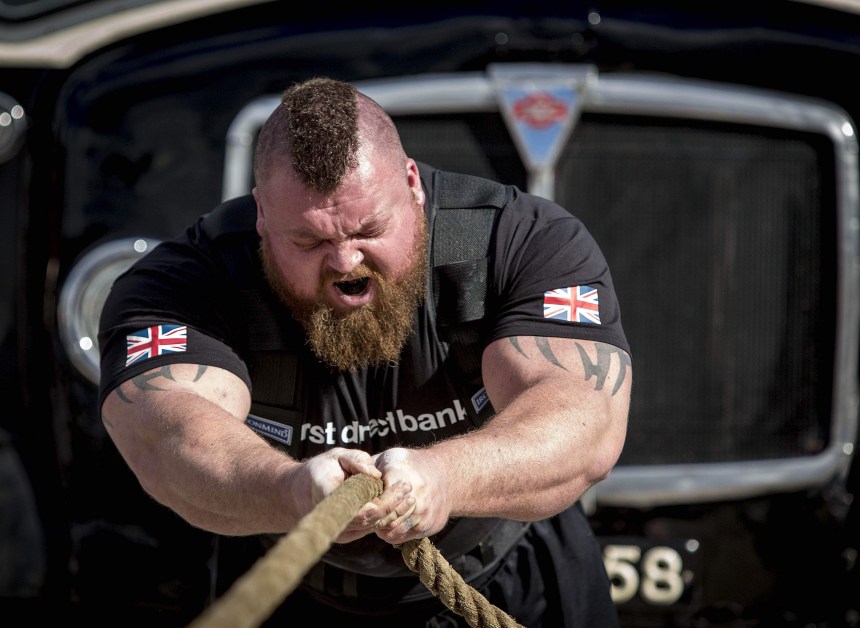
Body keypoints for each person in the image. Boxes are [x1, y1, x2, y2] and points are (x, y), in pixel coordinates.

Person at [97, 76, 632, 627]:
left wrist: (444, 477)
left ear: (412, 183)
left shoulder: (524, 242)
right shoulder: (182, 287)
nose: (346, 263)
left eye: (369, 230)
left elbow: (585, 418)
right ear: (261, 214)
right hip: (293, 592)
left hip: (513, 579)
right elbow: (169, 440)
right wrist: (292, 489)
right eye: (309, 242)